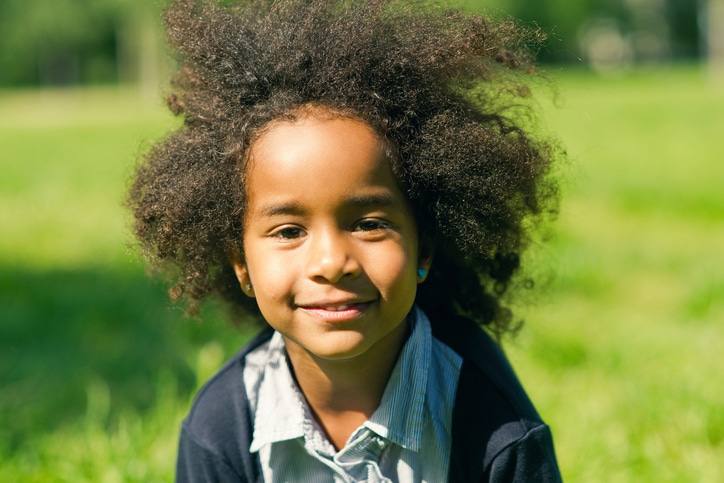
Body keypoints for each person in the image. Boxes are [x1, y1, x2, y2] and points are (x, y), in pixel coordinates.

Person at [128, 0, 563, 481]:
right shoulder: (222, 428)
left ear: (425, 247)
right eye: (289, 231)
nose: (332, 262)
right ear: (240, 264)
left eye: (369, 223)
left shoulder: (491, 421)